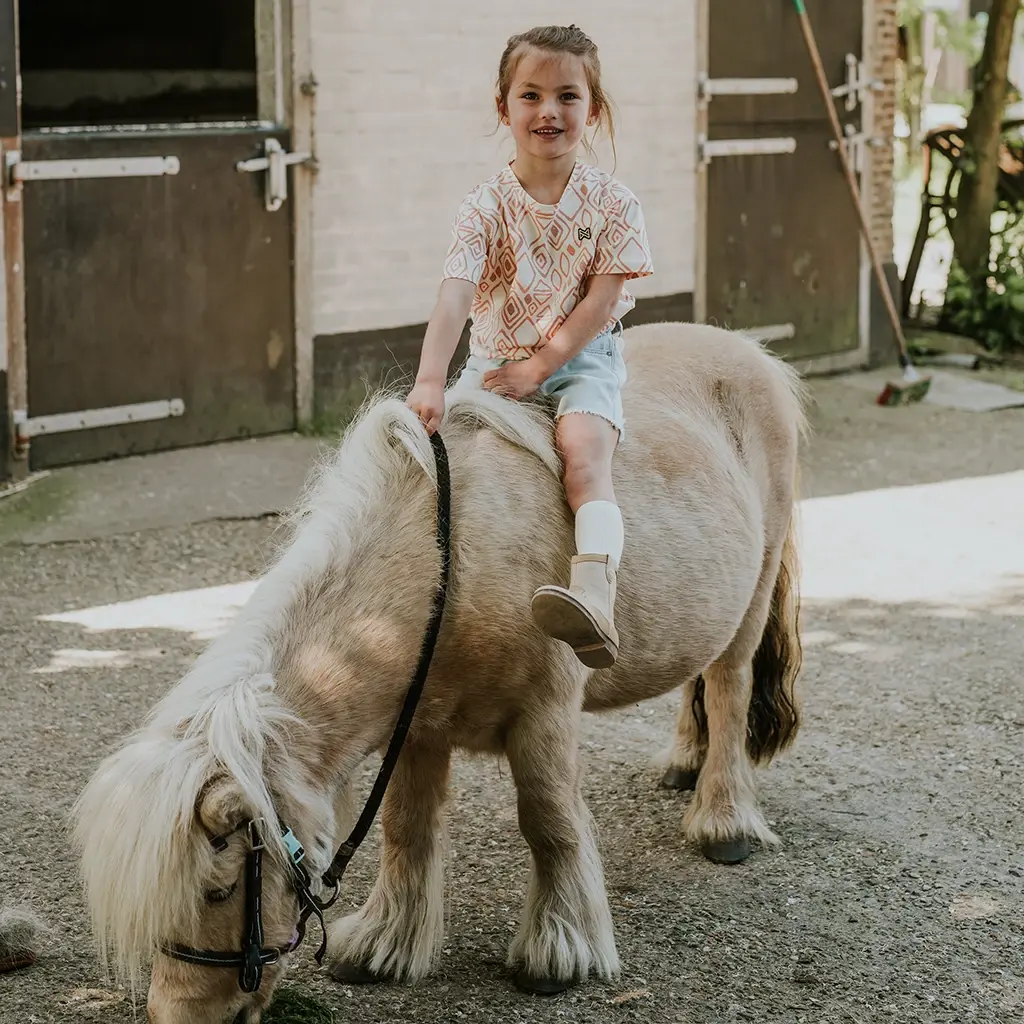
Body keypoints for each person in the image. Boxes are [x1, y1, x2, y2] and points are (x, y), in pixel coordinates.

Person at [406, 24, 654, 669]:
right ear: (504, 107)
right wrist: (431, 378)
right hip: (492, 359)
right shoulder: (484, 205)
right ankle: (425, 603)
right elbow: (456, 292)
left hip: (582, 358)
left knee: (583, 456)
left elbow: (601, 301)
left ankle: (595, 593)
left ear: (592, 110)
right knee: (437, 464)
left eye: (568, 96)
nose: (549, 111)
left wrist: (543, 366)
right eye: (531, 95)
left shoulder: (613, 202)